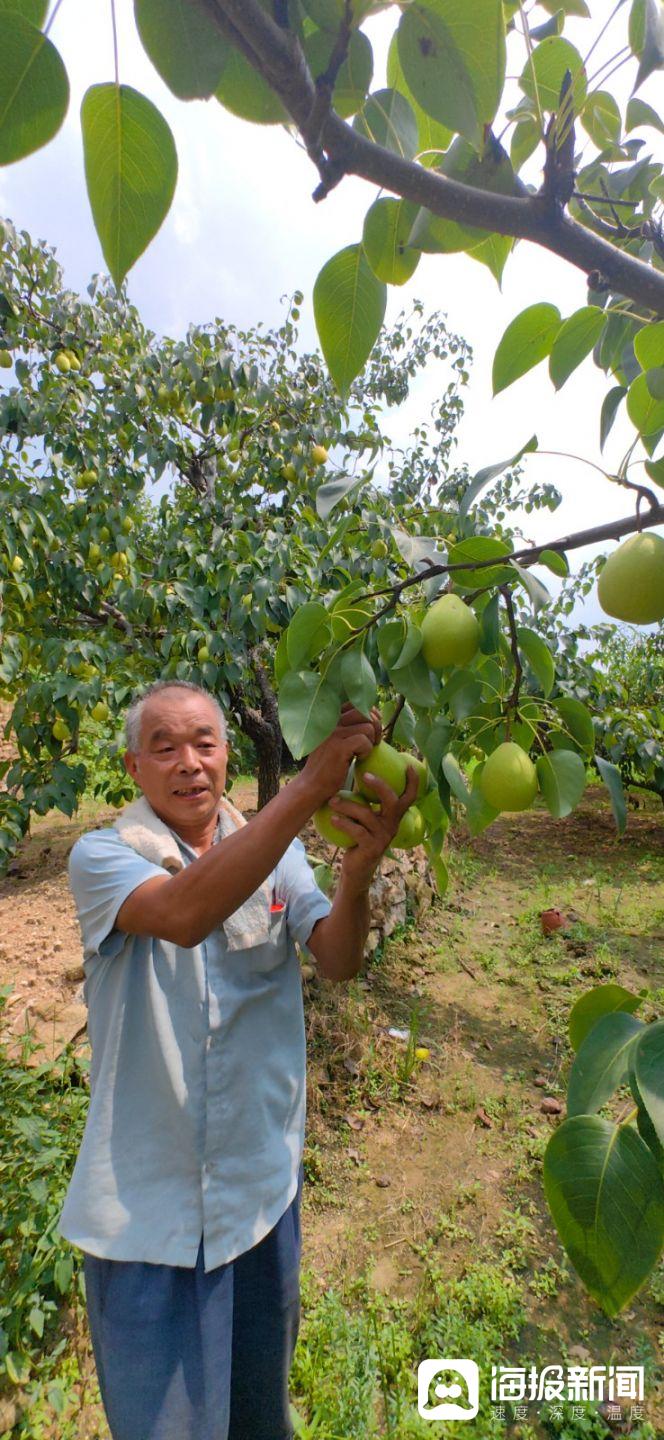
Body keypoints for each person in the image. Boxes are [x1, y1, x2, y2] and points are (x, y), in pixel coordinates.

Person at [59, 678, 418, 1440]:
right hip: (147, 1220)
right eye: (164, 748)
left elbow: (339, 959)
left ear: (226, 756)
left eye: (205, 744)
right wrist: (312, 786)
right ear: (133, 769)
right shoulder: (103, 858)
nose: (189, 763)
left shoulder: (276, 861)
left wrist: (355, 872)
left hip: (259, 1199)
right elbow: (186, 913)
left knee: (259, 1417)